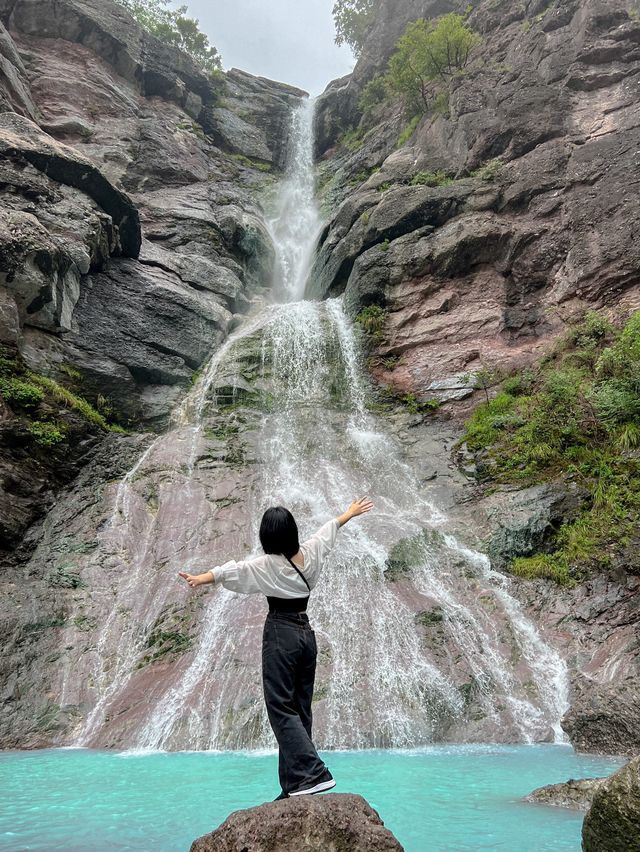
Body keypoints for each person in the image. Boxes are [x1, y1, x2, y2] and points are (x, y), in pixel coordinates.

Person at [178, 496, 374, 799]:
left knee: (280, 706)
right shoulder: (310, 554)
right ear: (293, 532)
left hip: (281, 633)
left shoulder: (267, 565)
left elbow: (234, 571)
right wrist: (349, 513)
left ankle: (313, 773)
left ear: (267, 537)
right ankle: (295, 784)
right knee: (299, 708)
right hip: (306, 635)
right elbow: (329, 529)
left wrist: (200, 579)